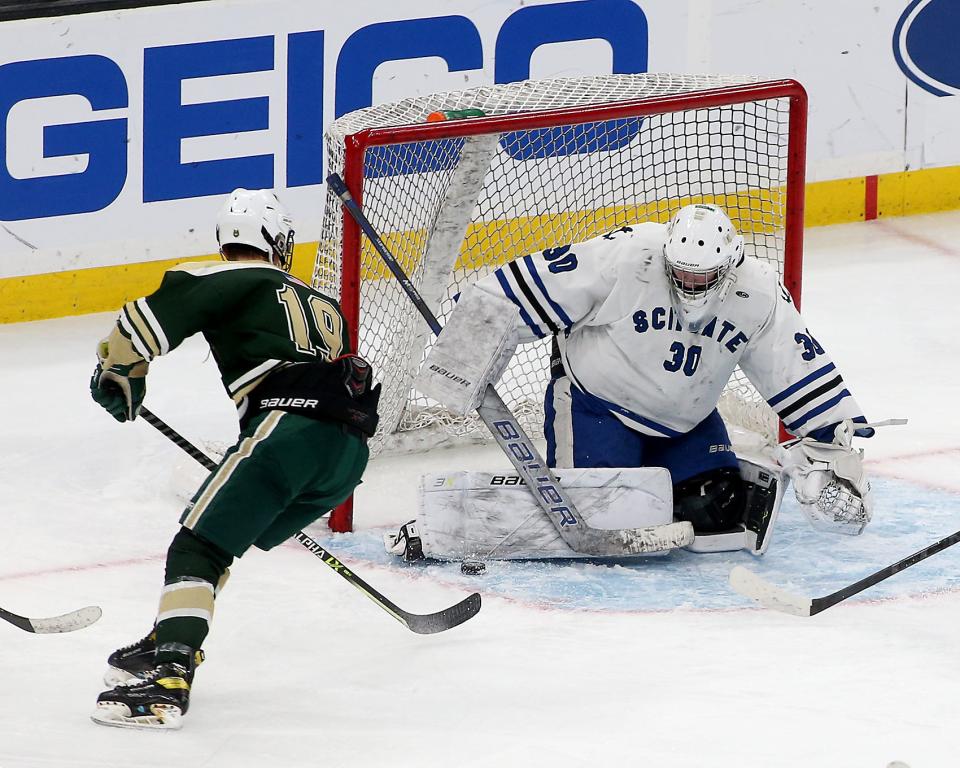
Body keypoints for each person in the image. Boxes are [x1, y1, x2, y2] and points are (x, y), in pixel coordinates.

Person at [409, 203, 878, 559]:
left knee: (716, 510)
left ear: (730, 264)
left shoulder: (756, 292)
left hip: (686, 417)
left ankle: (663, 485)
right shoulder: (629, 255)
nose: (690, 284)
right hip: (597, 402)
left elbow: (795, 363)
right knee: (603, 515)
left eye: (703, 276)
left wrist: (833, 454)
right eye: (682, 273)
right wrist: (464, 352)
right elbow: (517, 288)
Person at [88, 189, 380, 730]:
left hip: (287, 434)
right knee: (216, 548)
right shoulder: (323, 304)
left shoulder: (226, 277)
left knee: (196, 546)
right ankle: (171, 636)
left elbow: (136, 325)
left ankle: (169, 678)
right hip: (347, 455)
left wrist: (118, 373)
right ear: (278, 241)